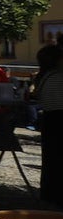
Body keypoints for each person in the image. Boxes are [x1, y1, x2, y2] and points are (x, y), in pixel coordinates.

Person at [34, 44, 63, 205]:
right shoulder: (58, 77)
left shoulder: (43, 76)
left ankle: (49, 195)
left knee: (51, 159)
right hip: (59, 118)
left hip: (50, 118)